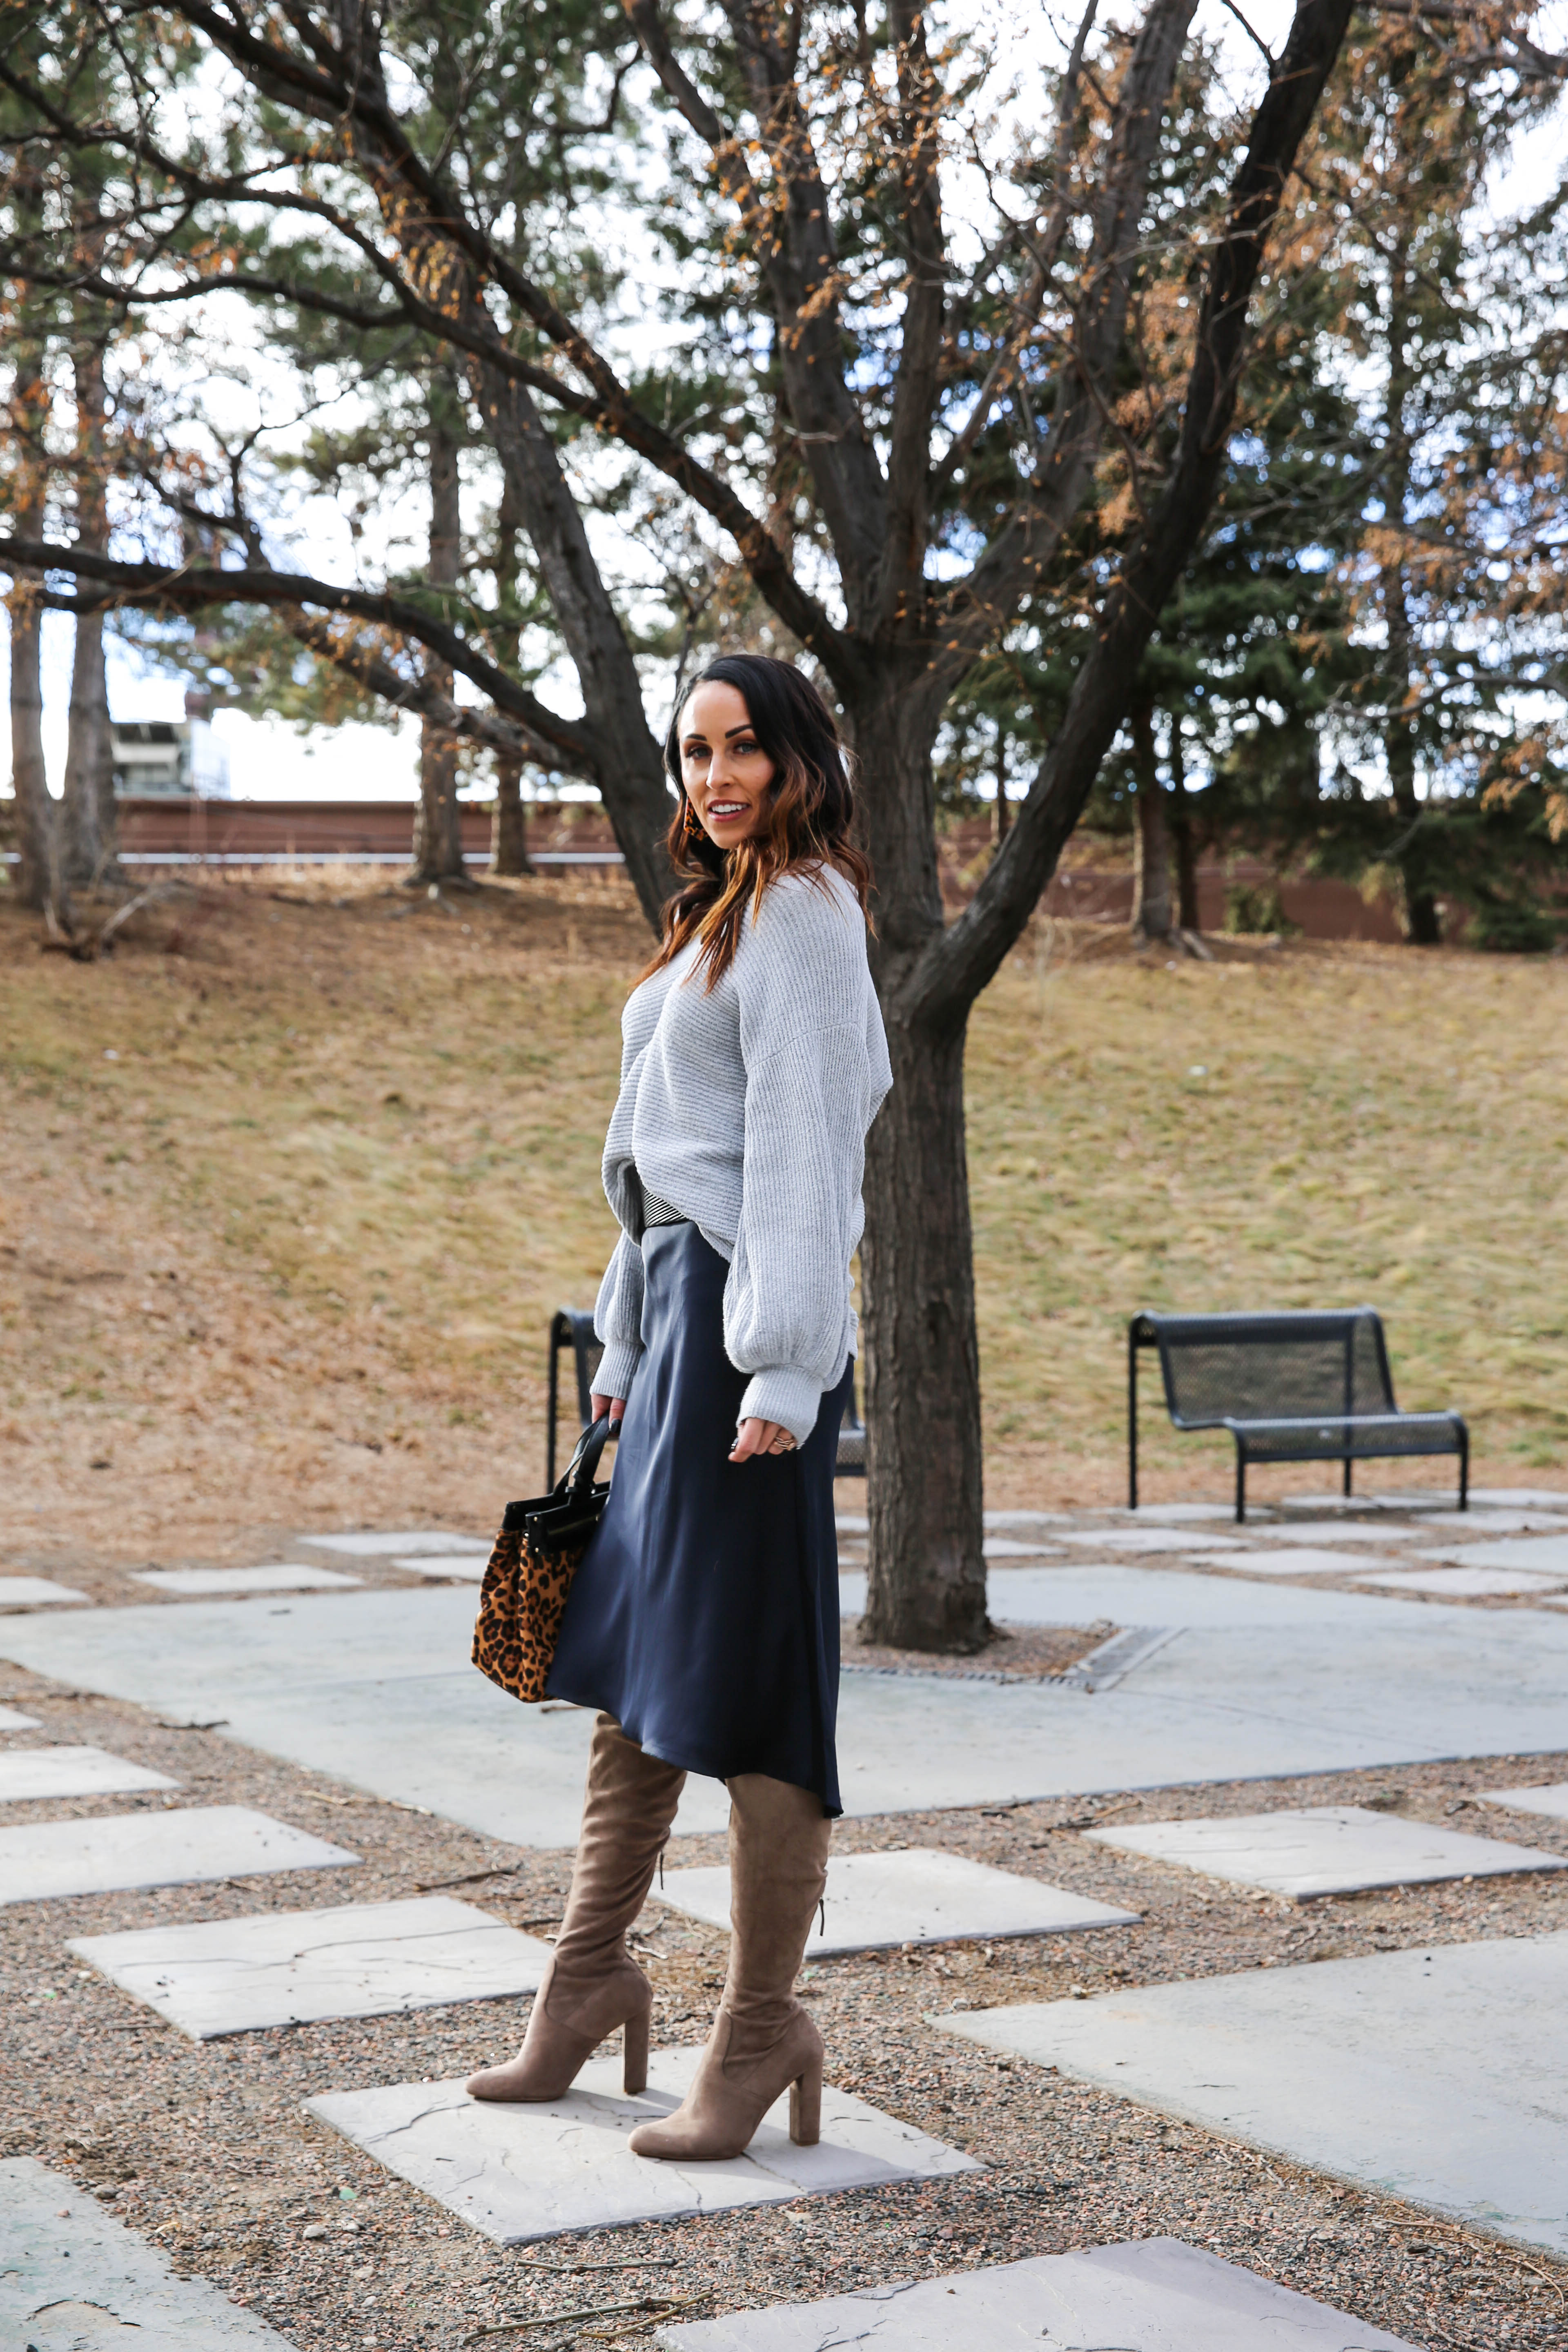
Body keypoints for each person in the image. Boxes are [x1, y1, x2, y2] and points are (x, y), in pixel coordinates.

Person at [466, 653, 891, 2161]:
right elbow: (657, 1162)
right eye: (693, 752)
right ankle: (587, 1983)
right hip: (675, 1329)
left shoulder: (805, 914)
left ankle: (762, 2026)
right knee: (630, 1656)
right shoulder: (717, 913)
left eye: (742, 750)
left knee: (755, 1683)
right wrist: (626, 1342)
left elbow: (799, 1153)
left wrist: (783, 1365)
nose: (714, 778)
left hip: (746, 1344)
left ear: (796, 757)